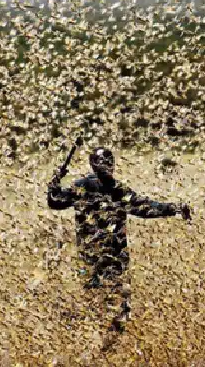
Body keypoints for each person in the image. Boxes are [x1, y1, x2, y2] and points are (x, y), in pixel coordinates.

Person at [46, 146, 191, 343]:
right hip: (107, 257)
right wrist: (173, 208)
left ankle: (99, 343)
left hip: (97, 255)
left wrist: (54, 185)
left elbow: (56, 201)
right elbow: (144, 207)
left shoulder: (90, 187)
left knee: (101, 300)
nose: (107, 166)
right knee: (112, 303)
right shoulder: (108, 188)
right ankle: (104, 343)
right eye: (105, 162)